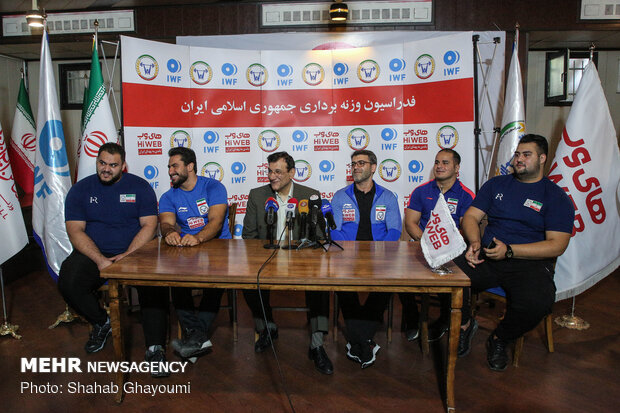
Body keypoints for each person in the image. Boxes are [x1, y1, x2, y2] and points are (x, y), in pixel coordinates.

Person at [454, 134, 574, 371]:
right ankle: (465, 325)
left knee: (538, 303)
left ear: (542, 158)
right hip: (487, 255)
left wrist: (510, 251)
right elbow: (471, 216)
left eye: (526, 155)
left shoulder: (556, 197)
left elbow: (557, 244)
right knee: (448, 276)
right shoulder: (496, 185)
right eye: (517, 154)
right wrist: (474, 242)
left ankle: (500, 338)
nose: (519, 159)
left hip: (529, 263)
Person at [59, 143, 169, 377]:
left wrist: (127, 257)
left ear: (123, 166)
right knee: (69, 281)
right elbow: (75, 231)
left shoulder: (140, 187)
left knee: (155, 286)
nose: (106, 169)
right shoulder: (80, 190)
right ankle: (102, 322)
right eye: (102, 163)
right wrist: (101, 261)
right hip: (94, 254)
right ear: (97, 161)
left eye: (113, 165)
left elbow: (149, 225)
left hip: (135, 253)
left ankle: (155, 348)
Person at [242, 151, 333, 375]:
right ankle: (267, 328)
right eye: (270, 171)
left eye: (278, 172)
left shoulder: (310, 195)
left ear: (292, 173)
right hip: (268, 256)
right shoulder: (257, 195)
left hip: (302, 259)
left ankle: (317, 343)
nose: (272, 176)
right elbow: (249, 236)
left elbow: (319, 235)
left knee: (320, 285)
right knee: (248, 281)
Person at [330, 149, 402, 368]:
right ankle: (365, 342)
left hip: (380, 255)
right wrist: (348, 252)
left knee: (386, 286)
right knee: (342, 286)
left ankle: (357, 341)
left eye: (361, 163)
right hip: (346, 255)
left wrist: (380, 253)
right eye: (353, 164)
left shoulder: (387, 196)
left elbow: (395, 230)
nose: (356, 167)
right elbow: (334, 230)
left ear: (373, 167)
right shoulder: (340, 196)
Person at [158, 147, 231, 360]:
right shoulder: (168, 195)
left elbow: (216, 222)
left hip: (217, 247)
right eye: (169, 166)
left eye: (175, 166)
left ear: (190, 167)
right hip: (186, 251)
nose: (170, 171)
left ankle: (194, 336)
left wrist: (198, 237)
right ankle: (197, 337)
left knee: (215, 283)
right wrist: (170, 233)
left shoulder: (213, 186)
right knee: (176, 282)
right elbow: (166, 223)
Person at [402, 149, 474, 342]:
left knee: (459, 276)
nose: (439, 166)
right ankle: (412, 320)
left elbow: (466, 228)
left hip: (451, 251)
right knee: (399, 275)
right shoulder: (421, 191)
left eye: (445, 162)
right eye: (436, 162)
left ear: (457, 168)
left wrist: (442, 249)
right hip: (421, 246)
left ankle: (453, 320)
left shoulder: (466, 195)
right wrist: (427, 244)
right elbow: (411, 223)